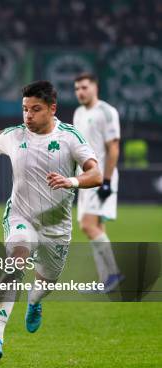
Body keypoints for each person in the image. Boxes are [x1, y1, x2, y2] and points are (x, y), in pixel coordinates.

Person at [0, 80, 102, 362]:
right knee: (14, 264)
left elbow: (95, 174)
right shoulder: (14, 135)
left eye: (35, 109)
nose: (28, 116)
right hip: (21, 218)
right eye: (25, 109)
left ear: (52, 109)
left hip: (56, 229)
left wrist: (71, 181)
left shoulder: (71, 137)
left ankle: (34, 303)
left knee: (44, 283)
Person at [73, 72, 124, 292]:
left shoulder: (106, 111)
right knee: (96, 226)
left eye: (84, 87)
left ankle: (113, 274)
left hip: (101, 178)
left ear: (95, 87)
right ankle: (106, 279)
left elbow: (113, 148)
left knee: (87, 225)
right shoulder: (78, 113)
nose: (80, 92)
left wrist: (106, 181)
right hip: (85, 180)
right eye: (77, 89)